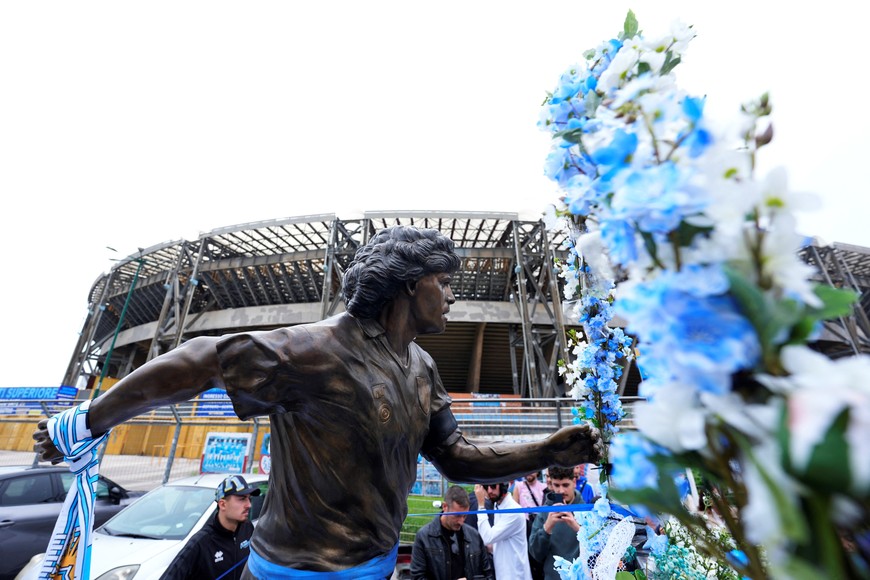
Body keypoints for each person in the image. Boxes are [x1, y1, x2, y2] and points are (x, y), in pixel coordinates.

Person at [34, 225, 602, 578]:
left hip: (373, 569)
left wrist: (546, 450)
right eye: (444, 281)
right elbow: (199, 358)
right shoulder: (316, 350)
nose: (454, 295)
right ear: (408, 283)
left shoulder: (423, 367)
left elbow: (455, 455)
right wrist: (87, 419)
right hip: (290, 574)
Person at [160, 475, 261, 580]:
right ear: (222, 505)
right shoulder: (201, 543)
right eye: (242, 499)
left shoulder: (248, 529)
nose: (249, 505)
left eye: (249, 499)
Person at [410, 485, 494, 580]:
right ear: (445, 507)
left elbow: (489, 576)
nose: (461, 521)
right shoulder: (424, 537)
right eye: (457, 516)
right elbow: (417, 577)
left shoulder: (474, 536)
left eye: (465, 516)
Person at [528, 466, 587, 580]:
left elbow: (597, 550)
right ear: (551, 484)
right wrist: (546, 528)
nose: (561, 491)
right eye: (556, 485)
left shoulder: (586, 510)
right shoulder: (544, 513)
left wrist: (577, 528)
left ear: (574, 482)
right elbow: (535, 554)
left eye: (565, 485)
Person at [474, 482, 532, 579]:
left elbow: (487, 538)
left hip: (515, 575)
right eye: (486, 486)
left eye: (493, 486)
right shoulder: (499, 505)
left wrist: (481, 506)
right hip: (504, 573)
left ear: (503, 486)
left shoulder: (513, 511)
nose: (489, 491)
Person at [513, 471, 547, 579]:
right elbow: (515, 510)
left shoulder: (544, 487)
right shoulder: (518, 487)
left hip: (540, 526)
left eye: (532, 471)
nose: (529, 473)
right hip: (525, 528)